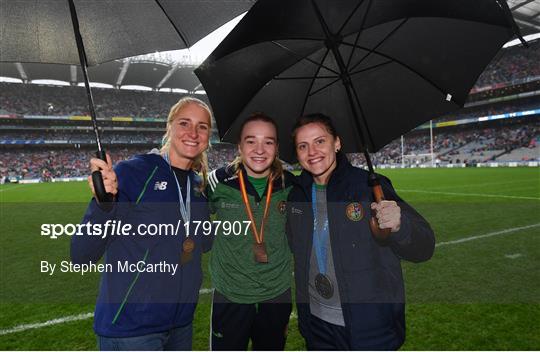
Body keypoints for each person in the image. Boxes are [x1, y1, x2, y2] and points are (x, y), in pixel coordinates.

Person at [71, 97, 213, 350]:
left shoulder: (198, 186)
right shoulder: (133, 172)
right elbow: (81, 256)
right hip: (132, 328)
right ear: (169, 127)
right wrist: (103, 206)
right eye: (184, 123)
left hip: (181, 325)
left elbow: (202, 244)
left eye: (202, 126)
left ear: (208, 135)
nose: (193, 132)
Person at [286, 113, 435, 350]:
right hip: (317, 327)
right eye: (303, 146)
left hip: (369, 328)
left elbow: (425, 247)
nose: (312, 151)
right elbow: (297, 248)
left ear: (337, 143)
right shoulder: (296, 196)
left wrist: (400, 226)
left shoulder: (369, 187)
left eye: (320, 141)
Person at [206, 113, 294, 350]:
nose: (259, 149)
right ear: (239, 146)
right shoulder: (217, 181)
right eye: (251, 140)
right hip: (230, 295)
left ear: (277, 147)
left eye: (268, 141)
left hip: (276, 294)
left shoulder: (290, 185)